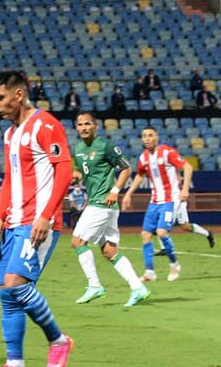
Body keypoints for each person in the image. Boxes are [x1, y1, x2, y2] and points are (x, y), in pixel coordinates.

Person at [0, 70, 74, 367]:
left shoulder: (46, 125)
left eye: (0, 98)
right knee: (8, 293)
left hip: (37, 222)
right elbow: (10, 177)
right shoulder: (10, 134)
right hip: (12, 222)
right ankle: (15, 365)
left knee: (16, 284)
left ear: (19, 95)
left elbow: (64, 172)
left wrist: (46, 215)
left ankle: (58, 341)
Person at [69, 112, 149, 307]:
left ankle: (94, 285)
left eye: (87, 124)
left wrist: (115, 190)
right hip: (101, 205)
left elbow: (126, 169)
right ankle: (138, 288)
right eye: (80, 125)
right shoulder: (78, 148)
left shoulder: (106, 146)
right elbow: (80, 171)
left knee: (78, 241)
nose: (83, 128)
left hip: (102, 203)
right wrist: (74, 177)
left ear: (95, 126)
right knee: (109, 250)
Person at [121, 127, 198, 282]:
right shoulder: (143, 157)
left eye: (150, 135)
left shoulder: (167, 152)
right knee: (145, 234)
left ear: (156, 137)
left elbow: (187, 167)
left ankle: (175, 264)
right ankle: (150, 272)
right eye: (144, 136)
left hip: (171, 199)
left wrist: (185, 189)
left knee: (161, 232)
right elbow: (140, 175)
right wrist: (128, 193)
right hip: (155, 200)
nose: (147, 138)